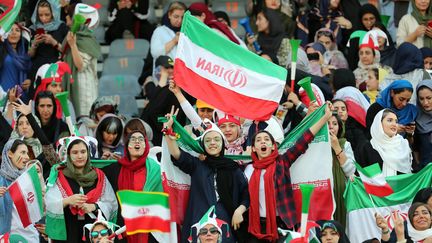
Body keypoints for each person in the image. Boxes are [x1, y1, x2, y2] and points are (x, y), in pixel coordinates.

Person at [244, 103, 332, 242]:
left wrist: (325, 117)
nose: (263, 142)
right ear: (253, 148)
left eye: (267, 140)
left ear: (273, 146)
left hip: (282, 223)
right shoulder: (248, 169)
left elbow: (303, 139)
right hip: (257, 226)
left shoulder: (282, 163)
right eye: (259, 140)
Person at [164, 107, 249, 243]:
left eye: (216, 139)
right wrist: (168, 131)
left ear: (223, 144)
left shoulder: (233, 168)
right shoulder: (197, 165)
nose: (213, 143)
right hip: (199, 225)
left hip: (225, 224)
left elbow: (246, 194)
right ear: (203, 144)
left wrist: (239, 210)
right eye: (208, 141)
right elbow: (176, 154)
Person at [45, 137, 118, 242]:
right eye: (75, 152)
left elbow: (111, 203)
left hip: (93, 232)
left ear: (88, 153)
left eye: (83, 152)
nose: (80, 156)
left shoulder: (99, 176)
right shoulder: (59, 176)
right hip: (68, 230)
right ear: (69, 155)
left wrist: (94, 206)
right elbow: (49, 203)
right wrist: (67, 201)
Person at [102, 130, 163, 242]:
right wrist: (102, 161)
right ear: (127, 146)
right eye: (133, 139)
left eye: (141, 139)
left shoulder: (156, 169)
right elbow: (95, 175)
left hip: (150, 228)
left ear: (146, 145)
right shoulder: (116, 169)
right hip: (123, 227)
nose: (137, 142)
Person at [63, 3, 101, 117]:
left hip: (84, 88)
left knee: (84, 119)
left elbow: (80, 66)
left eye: (69, 15)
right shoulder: (72, 35)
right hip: (72, 82)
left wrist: (73, 45)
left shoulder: (86, 39)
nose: (66, 17)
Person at [0, 139, 39, 241]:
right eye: (22, 152)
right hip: (7, 237)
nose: (27, 157)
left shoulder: (29, 178)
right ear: (10, 154)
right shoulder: (1, 180)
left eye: (27, 153)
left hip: (30, 236)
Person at [356, 109, 412, 176]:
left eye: (396, 122)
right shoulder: (368, 147)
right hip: (377, 186)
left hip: (401, 186)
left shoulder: (403, 145)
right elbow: (363, 175)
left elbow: (409, 174)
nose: (394, 124)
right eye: (389, 120)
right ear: (379, 123)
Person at [28, 0, 68, 93]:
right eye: (40, 15)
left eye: (47, 15)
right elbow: (29, 55)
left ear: (54, 13)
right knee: (37, 98)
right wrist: (34, 44)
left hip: (56, 69)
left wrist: (54, 42)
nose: (44, 18)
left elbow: (67, 52)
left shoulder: (61, 27)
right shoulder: (32, 28)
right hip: (38, 69)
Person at [328, 114, 356, 228]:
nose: (331, 127)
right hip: (323, 192)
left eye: (334, 124)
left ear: (340, 127)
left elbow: (350, 171)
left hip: (340, 191)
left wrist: (336, 147)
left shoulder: (345, 144)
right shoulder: (316, 145)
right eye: (327, 123)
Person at [150, 1, 186, 78]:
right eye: (176, 17)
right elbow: (155, 53)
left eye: (182, 17)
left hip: (183, 76)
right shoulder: (159, 31)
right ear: (169, 15)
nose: (180, 21)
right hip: (164, 77)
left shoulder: (187, 32)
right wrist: (174, 41)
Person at [0, 23, 31, 98]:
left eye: (17, 30)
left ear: (21, 35)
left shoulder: (25, 53)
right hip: (4, 95)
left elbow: (30, 72)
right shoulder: (1, 49)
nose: (14, 33)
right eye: (10, 30)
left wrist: (30, 81)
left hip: (22, 96)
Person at [414, 80, 432, 168]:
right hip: (425, 172)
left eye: (429, 98)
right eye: (421, 99)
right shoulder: (416, 117)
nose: (425, 103)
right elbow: (415, 147)